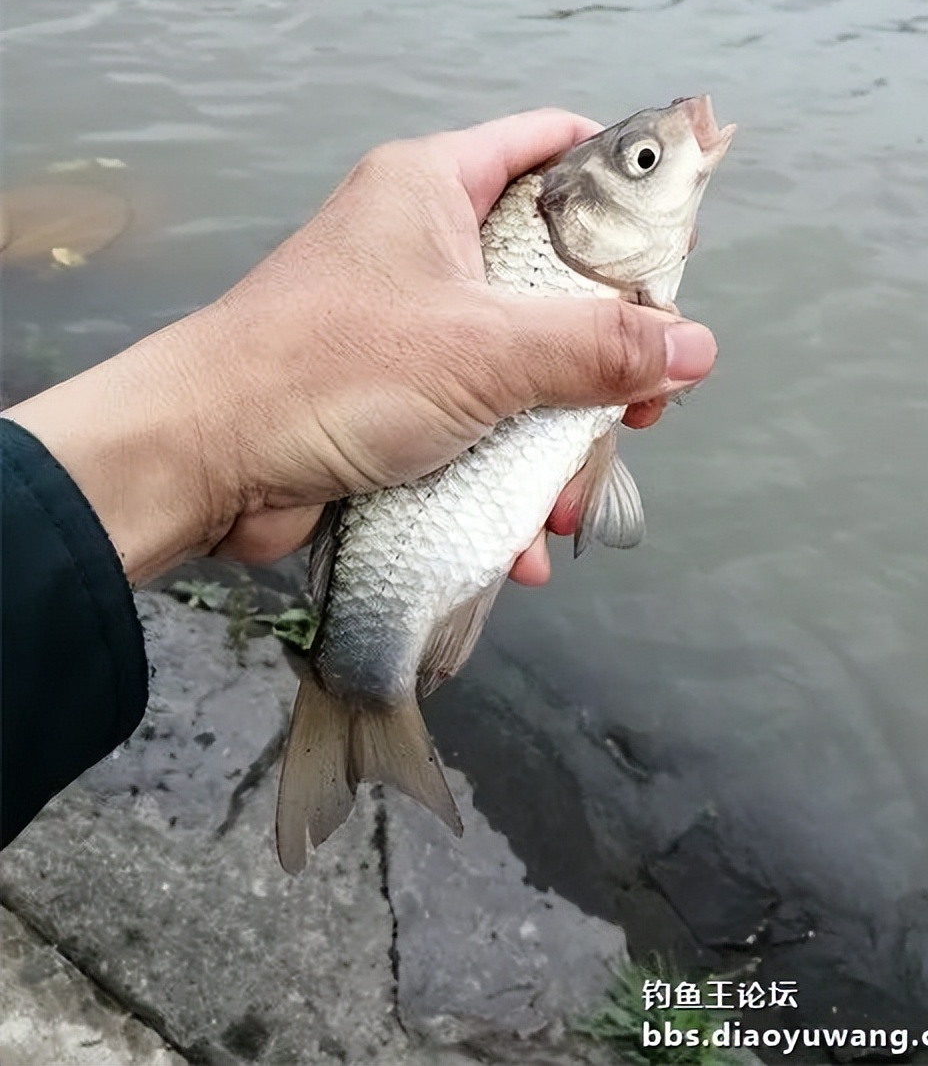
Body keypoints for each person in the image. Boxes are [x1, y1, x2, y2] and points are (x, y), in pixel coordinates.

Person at [0, 109, 716, 847]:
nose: (675, 158)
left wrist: (215, 455)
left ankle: (361, 687)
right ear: (574, 212)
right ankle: (362, 689)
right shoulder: (599, 284)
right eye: (645, 160)